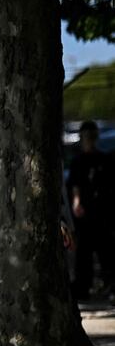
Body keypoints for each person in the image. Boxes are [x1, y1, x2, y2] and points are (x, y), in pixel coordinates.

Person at [67, 120, 114, 300]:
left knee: (106, 251)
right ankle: (83, 287)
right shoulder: (78, 161)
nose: (89, 140)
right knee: (84, 254)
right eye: (86, 137)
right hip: (86, 214)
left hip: (101, 212)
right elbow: (75, 185)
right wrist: (77, 203)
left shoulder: (104, 160)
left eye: (91, 137)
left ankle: (109, 284)